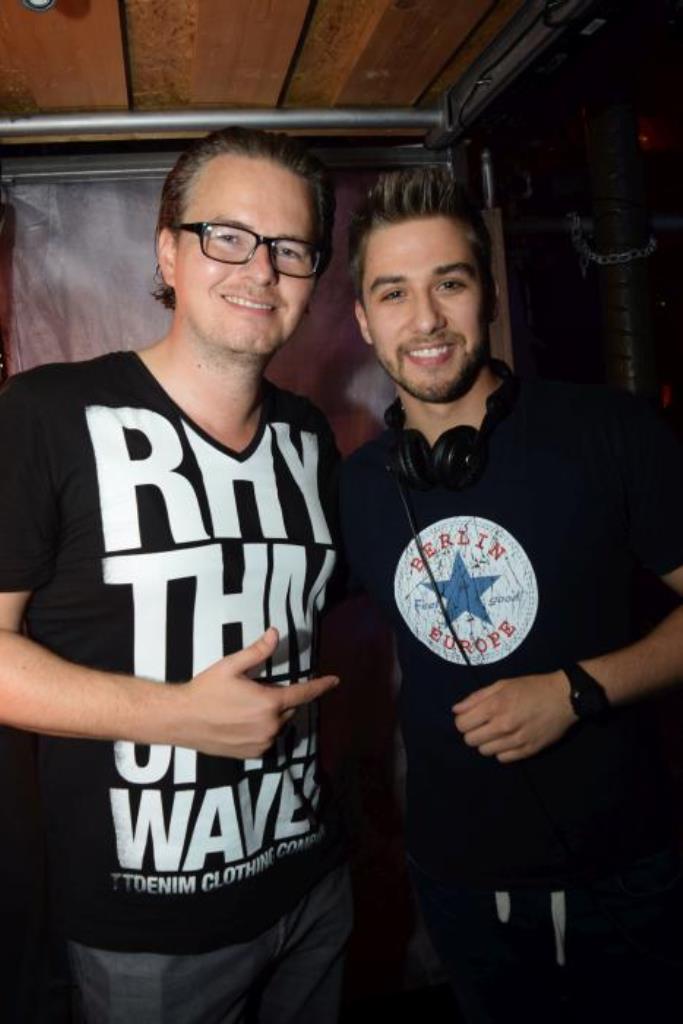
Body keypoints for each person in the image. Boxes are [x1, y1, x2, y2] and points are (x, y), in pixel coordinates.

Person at [0, 127, 351, 1024]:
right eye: (226, 236)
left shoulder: (311, 435)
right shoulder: (47, 412)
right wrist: (174, 716)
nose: (260, 269)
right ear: (167, 251)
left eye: (290, 248)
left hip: (313, 887)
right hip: (149, 932)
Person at [340, 166, 683, 1023]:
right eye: (392, 293)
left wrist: (577, 690)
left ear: (488, 292)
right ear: (363, 320)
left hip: (627, 868)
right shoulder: (357, 486)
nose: (424, 319)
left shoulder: (608, 433)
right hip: (454, 877)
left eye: (449, 283)